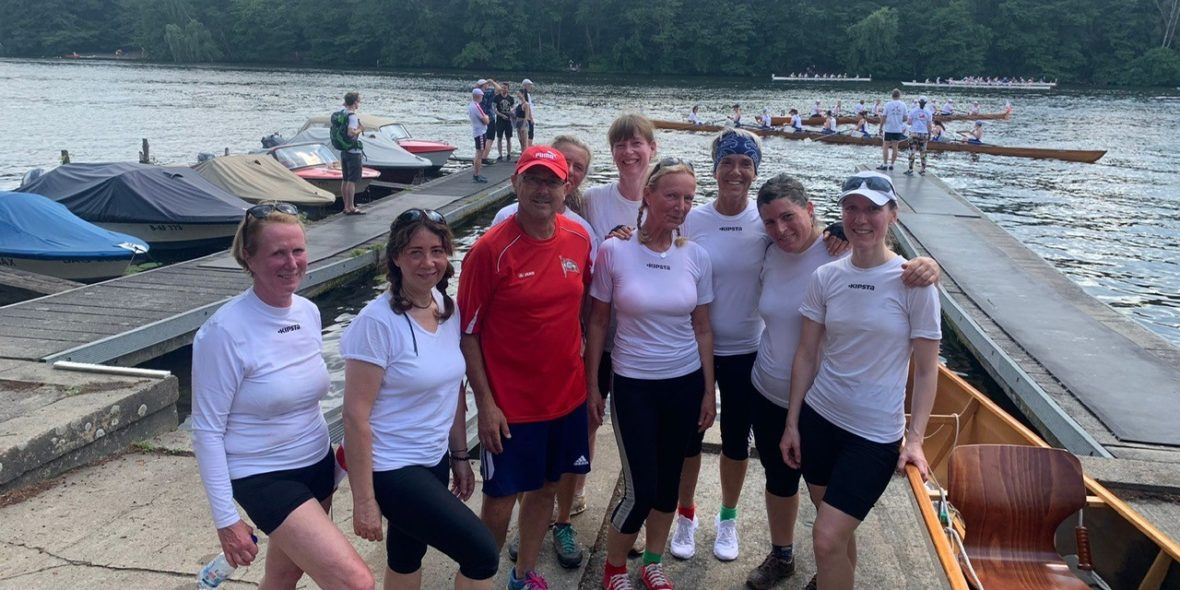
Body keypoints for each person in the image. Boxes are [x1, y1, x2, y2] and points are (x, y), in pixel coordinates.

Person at [749, 174, 939, 590]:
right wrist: (793, 422)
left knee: (826, 535)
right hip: (819, 418)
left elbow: (927, 370)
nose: (860, 218)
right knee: (833, 535)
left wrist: (915, 440)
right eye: (851, 208)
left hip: (874, 434)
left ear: (893, 215)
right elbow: (807, 353)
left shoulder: (914, 282)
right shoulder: (827, 276)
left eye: (872, 209)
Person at [192, 201, 373, 590]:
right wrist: (226, 520)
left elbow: (305, 394)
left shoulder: (307, 312)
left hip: (317, 463)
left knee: (283, 576)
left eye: (298, 251)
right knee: (355, 583)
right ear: (249, 257)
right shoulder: (223, 332)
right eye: (278, 253)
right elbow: (206, 431)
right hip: (262, 473)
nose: (292, 263)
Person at [459, 145, 593, 590]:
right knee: (499, 502)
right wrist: (486, 404)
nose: (542, 189)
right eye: (532, 179)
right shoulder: (489, 250)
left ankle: (523, 575)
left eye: (552, 181)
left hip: (566, 398)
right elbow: (468, 333)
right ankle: (480, 580)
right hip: (512, 408)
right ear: (515, 183)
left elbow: (582, 305)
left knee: (547, 489)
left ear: (566, 188)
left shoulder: (579, 239)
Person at [343, 209, 499, 590]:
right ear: (396, 257)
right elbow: (354, 416)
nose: (428, 262)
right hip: (391, 467)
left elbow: (452, 390)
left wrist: (459, 456)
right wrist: (364, 500)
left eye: (437, 251)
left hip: (433, 457)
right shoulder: (377, 322)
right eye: (415, 252)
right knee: (481, 553)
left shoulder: (446, 308)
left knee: (406, 553)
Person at [587, 157, 715, 590]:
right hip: (634, 384)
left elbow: (702, 327)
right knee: (639, 491)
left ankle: (653, 563)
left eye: (689, 198)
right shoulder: (615, 250)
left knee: (667, 486)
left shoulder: (695, 255)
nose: (681, 206)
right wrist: (591, 385)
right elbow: (598, 322)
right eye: (672, 195)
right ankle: (614, 570)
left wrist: (709, 391)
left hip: (685, 382)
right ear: (648, 195)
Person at [339, 92, 366, 215]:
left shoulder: (343, 113)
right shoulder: (352, 116)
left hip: (344, 150)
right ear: (355, 102)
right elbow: (350, 133)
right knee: (352, 180)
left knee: (345, 179)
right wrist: (360, 129)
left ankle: (346, 206)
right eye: (358, 101)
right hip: (353, 152)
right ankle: (351, 207)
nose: (359, 103)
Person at [877, 89, 906, 171]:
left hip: (889, 129)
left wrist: (880, 128)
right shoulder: (903, 105)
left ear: (892, 95)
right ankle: (892, 164)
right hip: (898, 129)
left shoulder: (888, 104)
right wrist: (898, 120)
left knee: (885, 146)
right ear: (899, 95)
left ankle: (885, 164)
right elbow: (905, 118)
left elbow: (883, 117)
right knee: (895, 147)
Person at [905, 96, 933, 176]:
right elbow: (929, 125)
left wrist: (915, 121)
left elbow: (909, 122)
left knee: (912, 151)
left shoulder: (913, 111)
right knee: (923, 152)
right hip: (924, 133)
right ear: (926, 103)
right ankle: (923, 170)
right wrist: (929, 134)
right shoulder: (928, 112)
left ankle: (910, 170)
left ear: (918, 102)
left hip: (914, 132)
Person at [468, 88, 490, 183]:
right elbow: (486, 121)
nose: (482, 98)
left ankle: (476, 174)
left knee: (478, 154)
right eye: (481, 96)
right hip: (480, 132)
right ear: (478, 96)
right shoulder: (476, 106)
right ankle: (476, 175)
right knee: (479, 154)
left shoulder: (471, 105)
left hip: (476, 131)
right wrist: (487, 117)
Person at [494, 82, 516, 161]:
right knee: (499, 138)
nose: (503, 89)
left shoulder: (511, 98)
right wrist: (501, 115)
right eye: (502, 88)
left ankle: (509, 154)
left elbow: (513, 108)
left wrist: (512, 113)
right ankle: (500, 155)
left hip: (508, 120)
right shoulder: (497, 98)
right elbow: (494, 109)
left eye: (505, 88)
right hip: (500, 120)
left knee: (508, 138)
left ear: (508, 89)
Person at [479, 79, 498, 165]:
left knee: (483, 138)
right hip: (490, 116)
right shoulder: (489, 92)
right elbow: (499, 89)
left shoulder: (478, 93)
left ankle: (479, 156)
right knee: (490, 138)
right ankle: (484, 157)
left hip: (481, 116)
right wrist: (492, 82)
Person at [521, 79, 537, 143]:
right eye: (529, 85)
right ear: (525, 85)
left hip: (526, 118)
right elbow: (528, 107)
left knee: (527, 136)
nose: (530, 87)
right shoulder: (526, 95)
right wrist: (531, 118)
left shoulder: (523, 94)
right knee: (530, 136)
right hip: (528, 118)